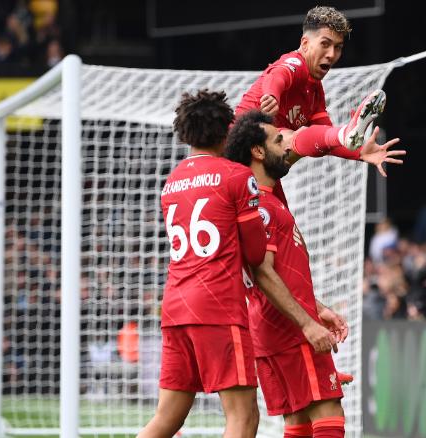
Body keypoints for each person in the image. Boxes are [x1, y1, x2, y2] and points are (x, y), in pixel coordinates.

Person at [139, 91, 333, 438]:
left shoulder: (171, 184)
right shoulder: (235, 176)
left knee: (166, 420)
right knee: (242, 419)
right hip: (217, 308)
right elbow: (257, 257)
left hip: (174, 307)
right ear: (225, 130)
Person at [225, 111, 351, 438]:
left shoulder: (261, 205)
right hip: (290, 331)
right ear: (258, 152)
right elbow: (263, 273)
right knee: (328, 410)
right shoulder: (263, 208)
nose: (287, 146)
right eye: (278, 140)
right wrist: (308, 323)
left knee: (298, 420)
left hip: (272, 330)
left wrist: (317, 306)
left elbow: (275, 272)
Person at [235, 6, 404, 193]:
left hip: (261, 171)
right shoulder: (296, 63)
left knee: (286, 223)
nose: (332, 54)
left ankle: (346, 133)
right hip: (235, 155)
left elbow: (326, 140)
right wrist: (271, 95)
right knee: (290, 138)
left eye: (338, 47)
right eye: (325, 44)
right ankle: (345, 132)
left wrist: (360, 153)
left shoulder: (316, 94)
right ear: (305, 43)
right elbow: (277, 75)